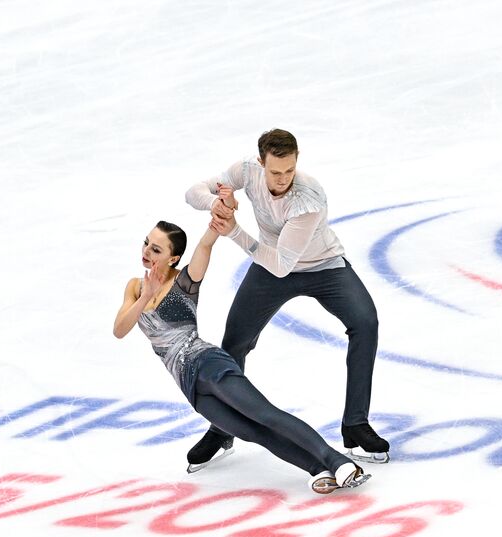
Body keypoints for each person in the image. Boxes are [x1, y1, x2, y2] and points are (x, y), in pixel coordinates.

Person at [113, 214, 370, 493]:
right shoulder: (135, 287)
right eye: (146, 244)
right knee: (252, 432)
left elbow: (204, 247)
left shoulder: (184, 283)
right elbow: (119, 329)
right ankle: (319, 470)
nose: (146, 252)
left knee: (265, 415)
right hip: (190, 387)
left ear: (173, 259)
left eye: (156, 249)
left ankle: (340, 462)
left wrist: (219, 216)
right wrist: (142, 298)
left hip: (207, 364)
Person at [184, 128, 390, 470]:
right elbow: (193, 192)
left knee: (365, 323)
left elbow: (283, 265)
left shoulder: (308, 198)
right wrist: (217, 203)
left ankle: (355, 424)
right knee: (234, 343)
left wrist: (233, 229)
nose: (283, 179)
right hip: (269, 263)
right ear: (261, 163)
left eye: (289, 171)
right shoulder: (246, 170)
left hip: (322, 267)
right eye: (276, 171)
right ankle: (222, 429)